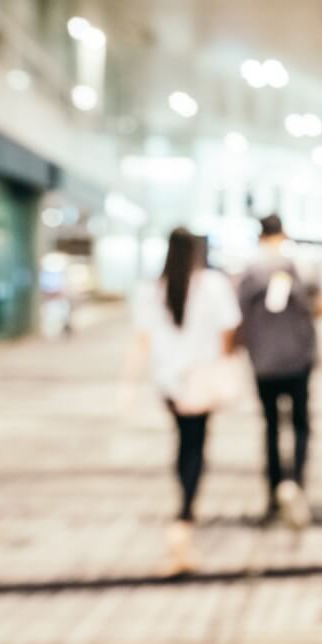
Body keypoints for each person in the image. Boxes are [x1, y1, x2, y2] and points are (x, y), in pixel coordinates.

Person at [125, 228, 242, 573]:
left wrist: (130, 383)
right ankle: (185, 516)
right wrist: (222, 361)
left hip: (169, 382)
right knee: (196, 444)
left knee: (183, 441)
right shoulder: (212, 286)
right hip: (201, 379)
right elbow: (229, 327)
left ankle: (184, 508)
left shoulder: (150, 290)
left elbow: (141, 339)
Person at [238, 214, 322, 528]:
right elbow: (320, 307)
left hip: (263, 361)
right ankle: (296, 483)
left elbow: (240, 318)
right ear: (283, 233)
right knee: (301, 424)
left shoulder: (248, 270)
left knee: (271, 427)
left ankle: (274, 490)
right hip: (297, 359)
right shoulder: (301, 265)